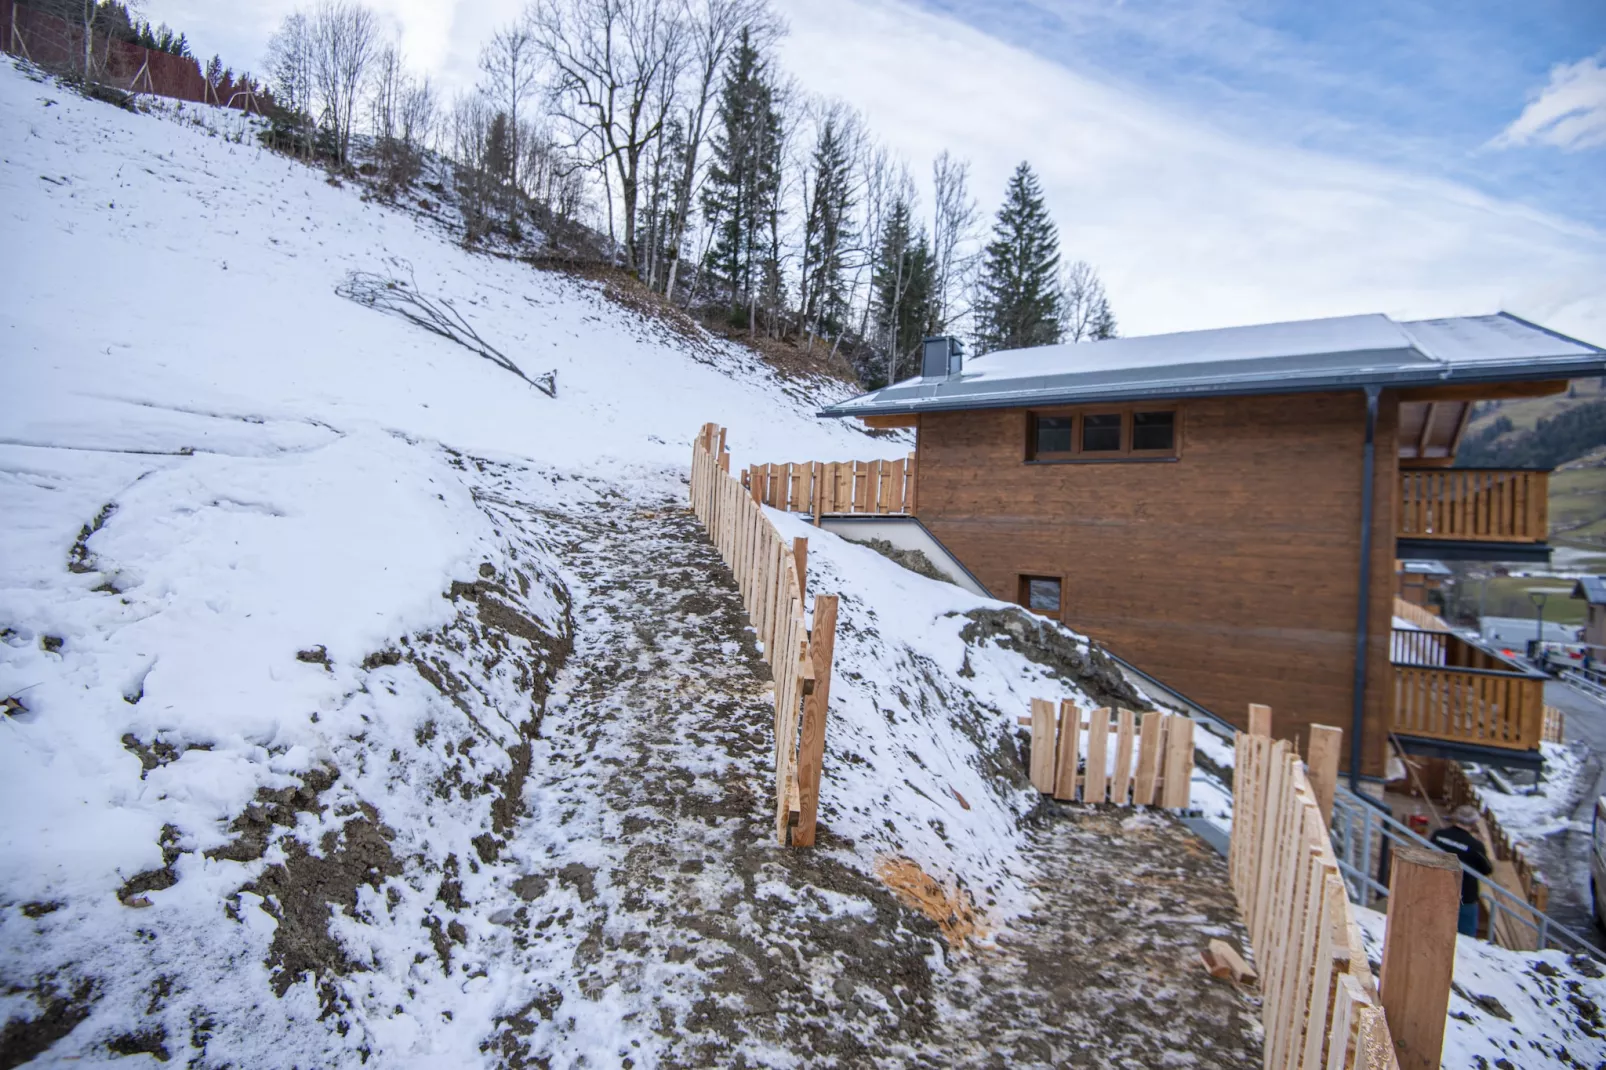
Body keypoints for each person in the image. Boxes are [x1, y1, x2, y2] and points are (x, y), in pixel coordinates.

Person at [1429, 805, 1494, 937]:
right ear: (1474, 823)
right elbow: (1487, 869)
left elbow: (1426, 854)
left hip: (1436, 889)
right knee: (1465, 938)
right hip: (1465, 895)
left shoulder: (1438, 835)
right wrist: (1481, 845)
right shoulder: (1475, 845)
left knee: (1434, 931)